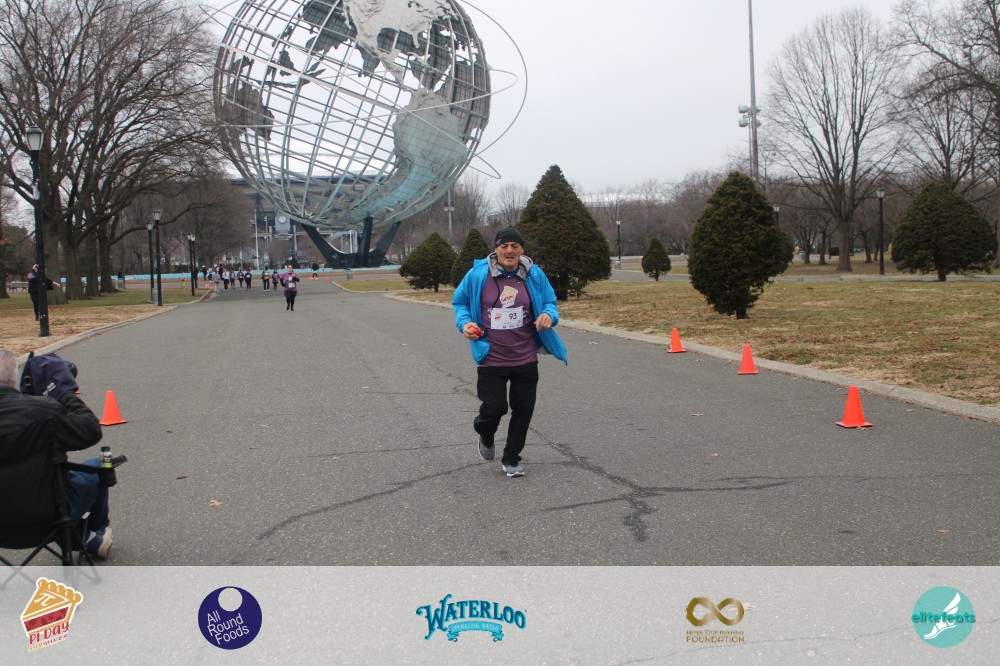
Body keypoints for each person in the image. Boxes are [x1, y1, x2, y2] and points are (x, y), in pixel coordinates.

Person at [451, 227, 567, 478]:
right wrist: (465, 323)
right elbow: (460, 302)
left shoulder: (534, 274)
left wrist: (549, 315)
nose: (510, 250)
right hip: (491, 356)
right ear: (496, 249)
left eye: (515, 246)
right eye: (504, 246)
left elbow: (550, 302)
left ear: (522, 249)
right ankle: (485, 432)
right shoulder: (478, 275)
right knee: (495, 408)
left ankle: (512, 458)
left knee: (523, 409)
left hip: (525, 355)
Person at [0, 349, 113, 559]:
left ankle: (88, 538)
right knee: (98, 466)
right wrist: (64, 392)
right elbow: (90, 431)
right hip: (49, 519)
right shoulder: (42, 410)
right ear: (14, 377)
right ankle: (93, 534)